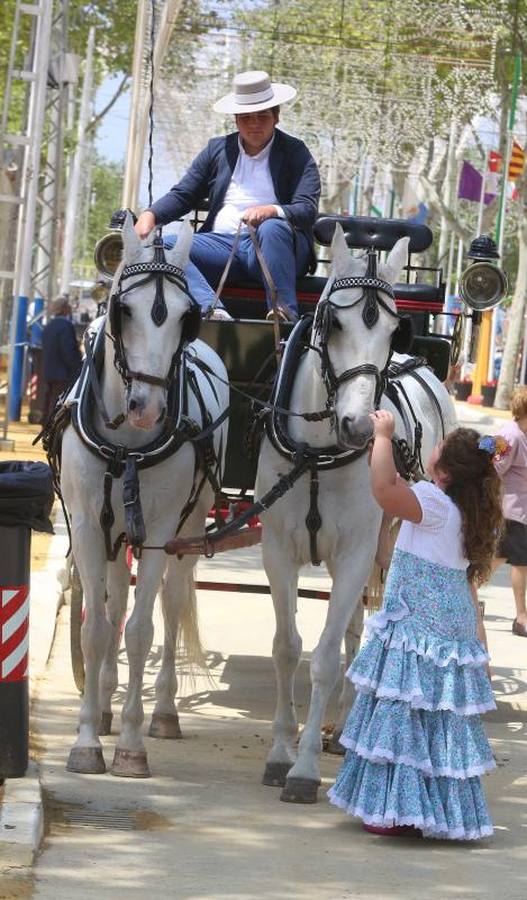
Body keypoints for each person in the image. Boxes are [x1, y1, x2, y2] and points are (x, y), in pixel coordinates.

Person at [328, 412, 503, 840]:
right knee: (440, 725)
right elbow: (469, 588)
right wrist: (481, 649)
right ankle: (433, 811)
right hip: (449, 631)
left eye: (438, 447)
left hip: (418, 633)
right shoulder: (467, 512)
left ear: (442, 471)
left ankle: (399, 811)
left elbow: (386, 491)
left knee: (405, 717)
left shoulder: (435, 505)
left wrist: (383, 436)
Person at [134, 70, 321, 322]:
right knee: (167, 246)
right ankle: (213, 310)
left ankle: (283, 312)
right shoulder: (217, 150)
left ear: (276, 117)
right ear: (236, 120)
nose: (254, 123)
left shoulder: (296, 152)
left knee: (272, 228)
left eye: (262, 116)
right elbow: (184, 194)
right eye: (246, 117)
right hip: (223, 248)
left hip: (276, 250)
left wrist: (271, 211)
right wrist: (150, 215)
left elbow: (306, 208)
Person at [492, 386, 527, 637]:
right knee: (518, 562)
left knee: (498, 559)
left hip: (520, 513)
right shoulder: (510, 435)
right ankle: (521, 616)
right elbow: (492, 467)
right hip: (511, 513)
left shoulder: (521, 434)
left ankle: (465, 592)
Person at [41, 296, 82, 421]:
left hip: (48, 371)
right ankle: (53, 426)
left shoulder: (49, 326)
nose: (69, 308)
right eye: (68, 306)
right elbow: (68, 352)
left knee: (48, 400)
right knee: (58, 402)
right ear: (64, 308)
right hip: (62, 373)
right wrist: (78, 369)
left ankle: (45, 424)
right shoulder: (66, 326)